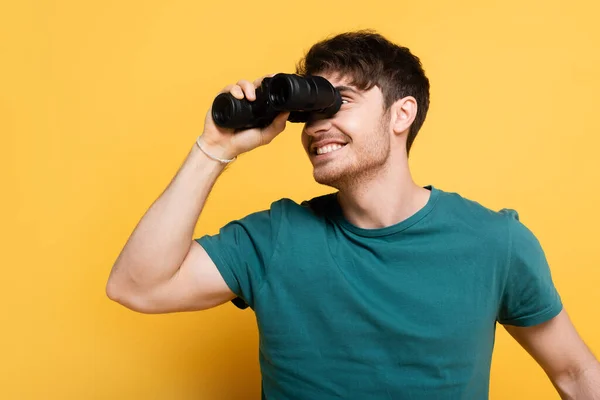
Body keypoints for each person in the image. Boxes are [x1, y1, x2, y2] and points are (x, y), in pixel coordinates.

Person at [106, 30, 600, 399]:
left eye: (339, 103)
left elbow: (576, 373)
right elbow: (136, 286)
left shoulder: (495, 242)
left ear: (401, 114)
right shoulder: (275, 238)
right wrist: (214, 146)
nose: (317, 127)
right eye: (310, 112)